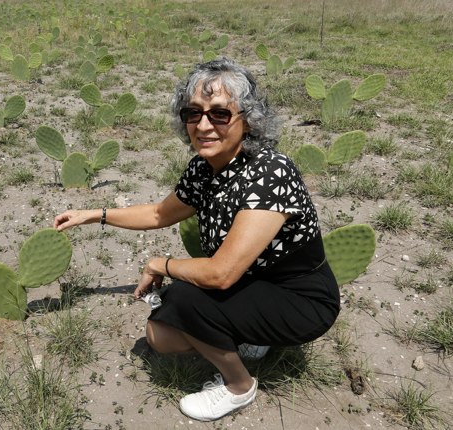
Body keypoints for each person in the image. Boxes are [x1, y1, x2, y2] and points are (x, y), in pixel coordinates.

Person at [53, 57, 340, 422]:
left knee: (184, 296)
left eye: (220, 114)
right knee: (159, 335)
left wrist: (161, 265)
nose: (203, 125)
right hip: (252, 281)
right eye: (193, 113)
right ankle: (250, 334)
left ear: (248, 120)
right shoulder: (205, 168)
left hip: (300, 299)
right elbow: (160, 214)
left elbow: (220, 274)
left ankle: (239, 386)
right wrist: (94, 214)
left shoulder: (270, 172)